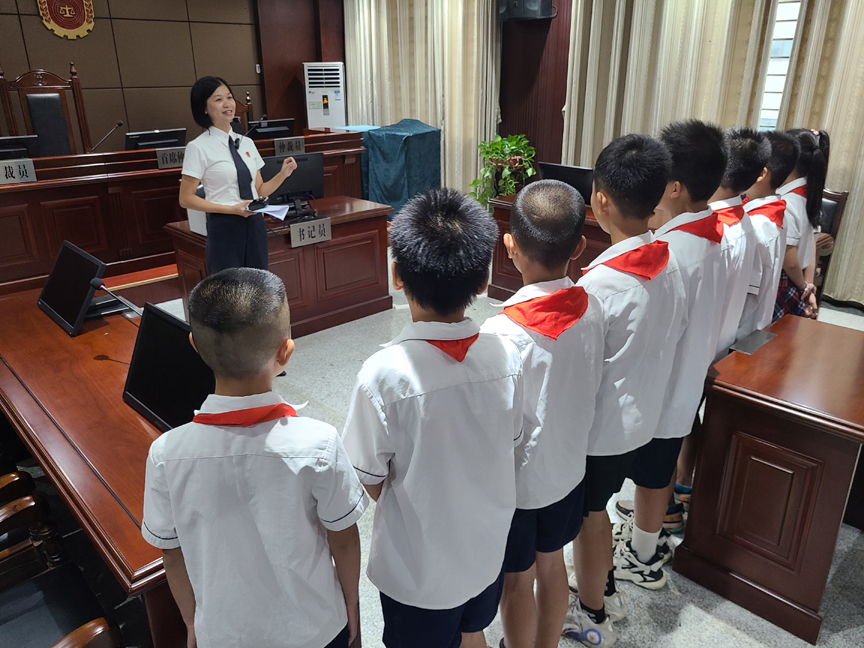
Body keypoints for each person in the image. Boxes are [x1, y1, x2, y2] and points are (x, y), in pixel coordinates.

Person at [142, 268, 367, 648]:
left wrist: (192, 621)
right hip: (315, 629)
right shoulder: (319, 443)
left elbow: (171, 550)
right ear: (285, 352)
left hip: (226, 635)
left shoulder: (165, 454)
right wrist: (350, 603)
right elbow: (343, 538)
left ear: (195, 346)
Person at [341, 188, 523, 648]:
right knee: (473, 630)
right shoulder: (506, 354)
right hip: (485, 552)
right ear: (483, 281)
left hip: (418, 571)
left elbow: (368, 478)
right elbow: (512, 439)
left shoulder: (382, 375)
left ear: (396, 276)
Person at [564, 135, 687, 647]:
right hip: (645, 414)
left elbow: (578, 370)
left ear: (600, 200)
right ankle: (605, 584)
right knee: (601, 509)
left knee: (590, 519)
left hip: (603, 430)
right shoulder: (669, 259)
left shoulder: (599, 286)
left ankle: (594, 613)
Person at [481, 180, 604, 648]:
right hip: (569, 469)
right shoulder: (593, 307)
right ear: (579, 247)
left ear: (509, 245)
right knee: (553, 565)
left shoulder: (500, 333)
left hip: (518, 486)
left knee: (518, 580)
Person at [613, 120, 727, 590]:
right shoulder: (711, 234)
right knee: (658, 469)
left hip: (663, 383)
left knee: (652, 474)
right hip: (688, 374)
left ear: (674, 187)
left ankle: (643, 556)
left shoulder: (672, 249)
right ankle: (650, 532)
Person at [675, 126, 770, 505]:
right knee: (688, 420)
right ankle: (683, 485)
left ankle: (676, 492)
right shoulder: (743, 221)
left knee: (680, 423)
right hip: (723, 337)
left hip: (700, 343)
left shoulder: (715, 231)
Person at [178, 76, 298, 274]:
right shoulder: (198, 147)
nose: (227, 104)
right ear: (204, 108)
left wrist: (283, 174)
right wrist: (231, 209)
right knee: (230, 286)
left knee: (258, 283)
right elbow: (186, 198)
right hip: (224, 226)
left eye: (229, 97)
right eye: (218, 99)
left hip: (254, 224)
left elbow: (260, 190)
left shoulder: (246, 143)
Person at [737, 130, 799, 335]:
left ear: (761, 173)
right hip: (758, 320)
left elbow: (745, 292)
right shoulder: (774, 212)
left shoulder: (757, 225)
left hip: (743, 330)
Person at [775, 128, 831, 319]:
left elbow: (790, 260)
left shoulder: (787, 203)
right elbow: (811, 246)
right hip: (797, 280)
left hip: (786, 279)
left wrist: (804, 286)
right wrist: (809, 287)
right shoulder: (809, 196)